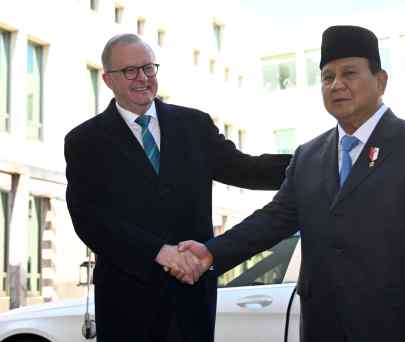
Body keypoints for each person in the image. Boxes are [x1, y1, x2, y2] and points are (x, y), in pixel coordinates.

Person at [178, 25, 405, 342]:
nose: (337, 85)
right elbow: (273, 219)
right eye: (327, 77)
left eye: (349, 73)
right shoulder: (309, 155)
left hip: (403, 325)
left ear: (381, 81)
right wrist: (210, 253)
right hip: (325, 326)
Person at [64, 33, 291, 342]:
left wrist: (313, 160)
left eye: (148, 68)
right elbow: (90, 220)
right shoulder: (85, 142)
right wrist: (158, 253)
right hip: (126, 305)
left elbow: (244, 169)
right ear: (107, 79)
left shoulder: (193, 125)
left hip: (192, 301)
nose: (142, 78)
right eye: (130, 71)